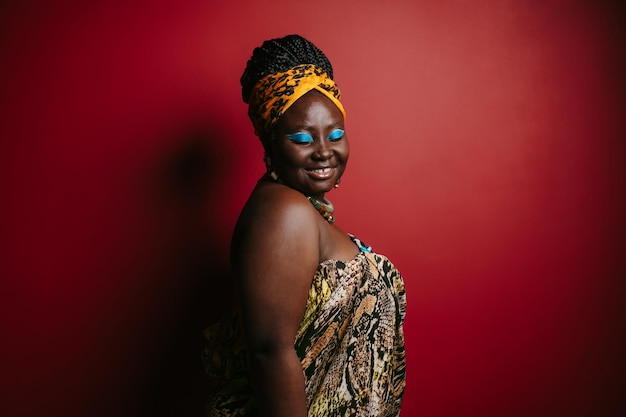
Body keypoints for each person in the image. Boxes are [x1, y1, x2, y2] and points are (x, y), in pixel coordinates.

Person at [203, 34, 406, 417]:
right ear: (270, 142)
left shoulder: (297, 209)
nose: (324, 150)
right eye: (301, 137)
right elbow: (270, 352)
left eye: (335, 134)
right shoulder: (284, 212)